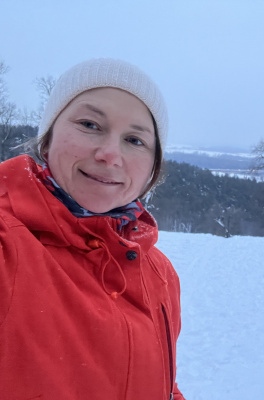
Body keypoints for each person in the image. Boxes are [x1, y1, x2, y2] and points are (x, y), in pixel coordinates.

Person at [0, 58, 185, 399]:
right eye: (90, 124)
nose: (110, 154)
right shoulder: (7, 244)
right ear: (47, 139)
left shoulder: (160, 274)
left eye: (135, 140)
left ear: (152, 169)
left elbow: (164, 386)